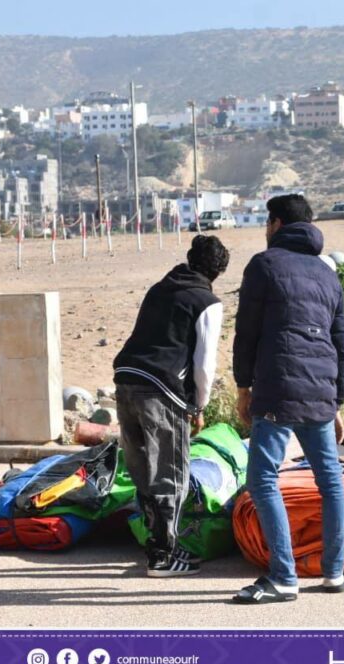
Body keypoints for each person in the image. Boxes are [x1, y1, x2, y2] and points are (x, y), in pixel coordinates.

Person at [232, 193, 344, 604]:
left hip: (278, 388)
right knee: (330, 480)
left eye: (267, 223)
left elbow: (246, 333)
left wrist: (243, 387)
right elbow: (342, 343)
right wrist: (337, 401)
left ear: (277, 224)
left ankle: (284, 577)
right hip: (321, 391)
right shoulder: (327, 273)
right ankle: (334, 573)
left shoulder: (264, 265)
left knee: (262, 479)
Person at [113, 234, 230, 577]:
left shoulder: (158, 289)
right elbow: (204, 365)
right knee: (170, 473)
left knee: (142, 472)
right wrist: (198, 406)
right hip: (162, 389)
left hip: (126, 379)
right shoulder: (207, 302)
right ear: (218, 271)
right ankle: (163, 557)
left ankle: (156, 544)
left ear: (190, 259)